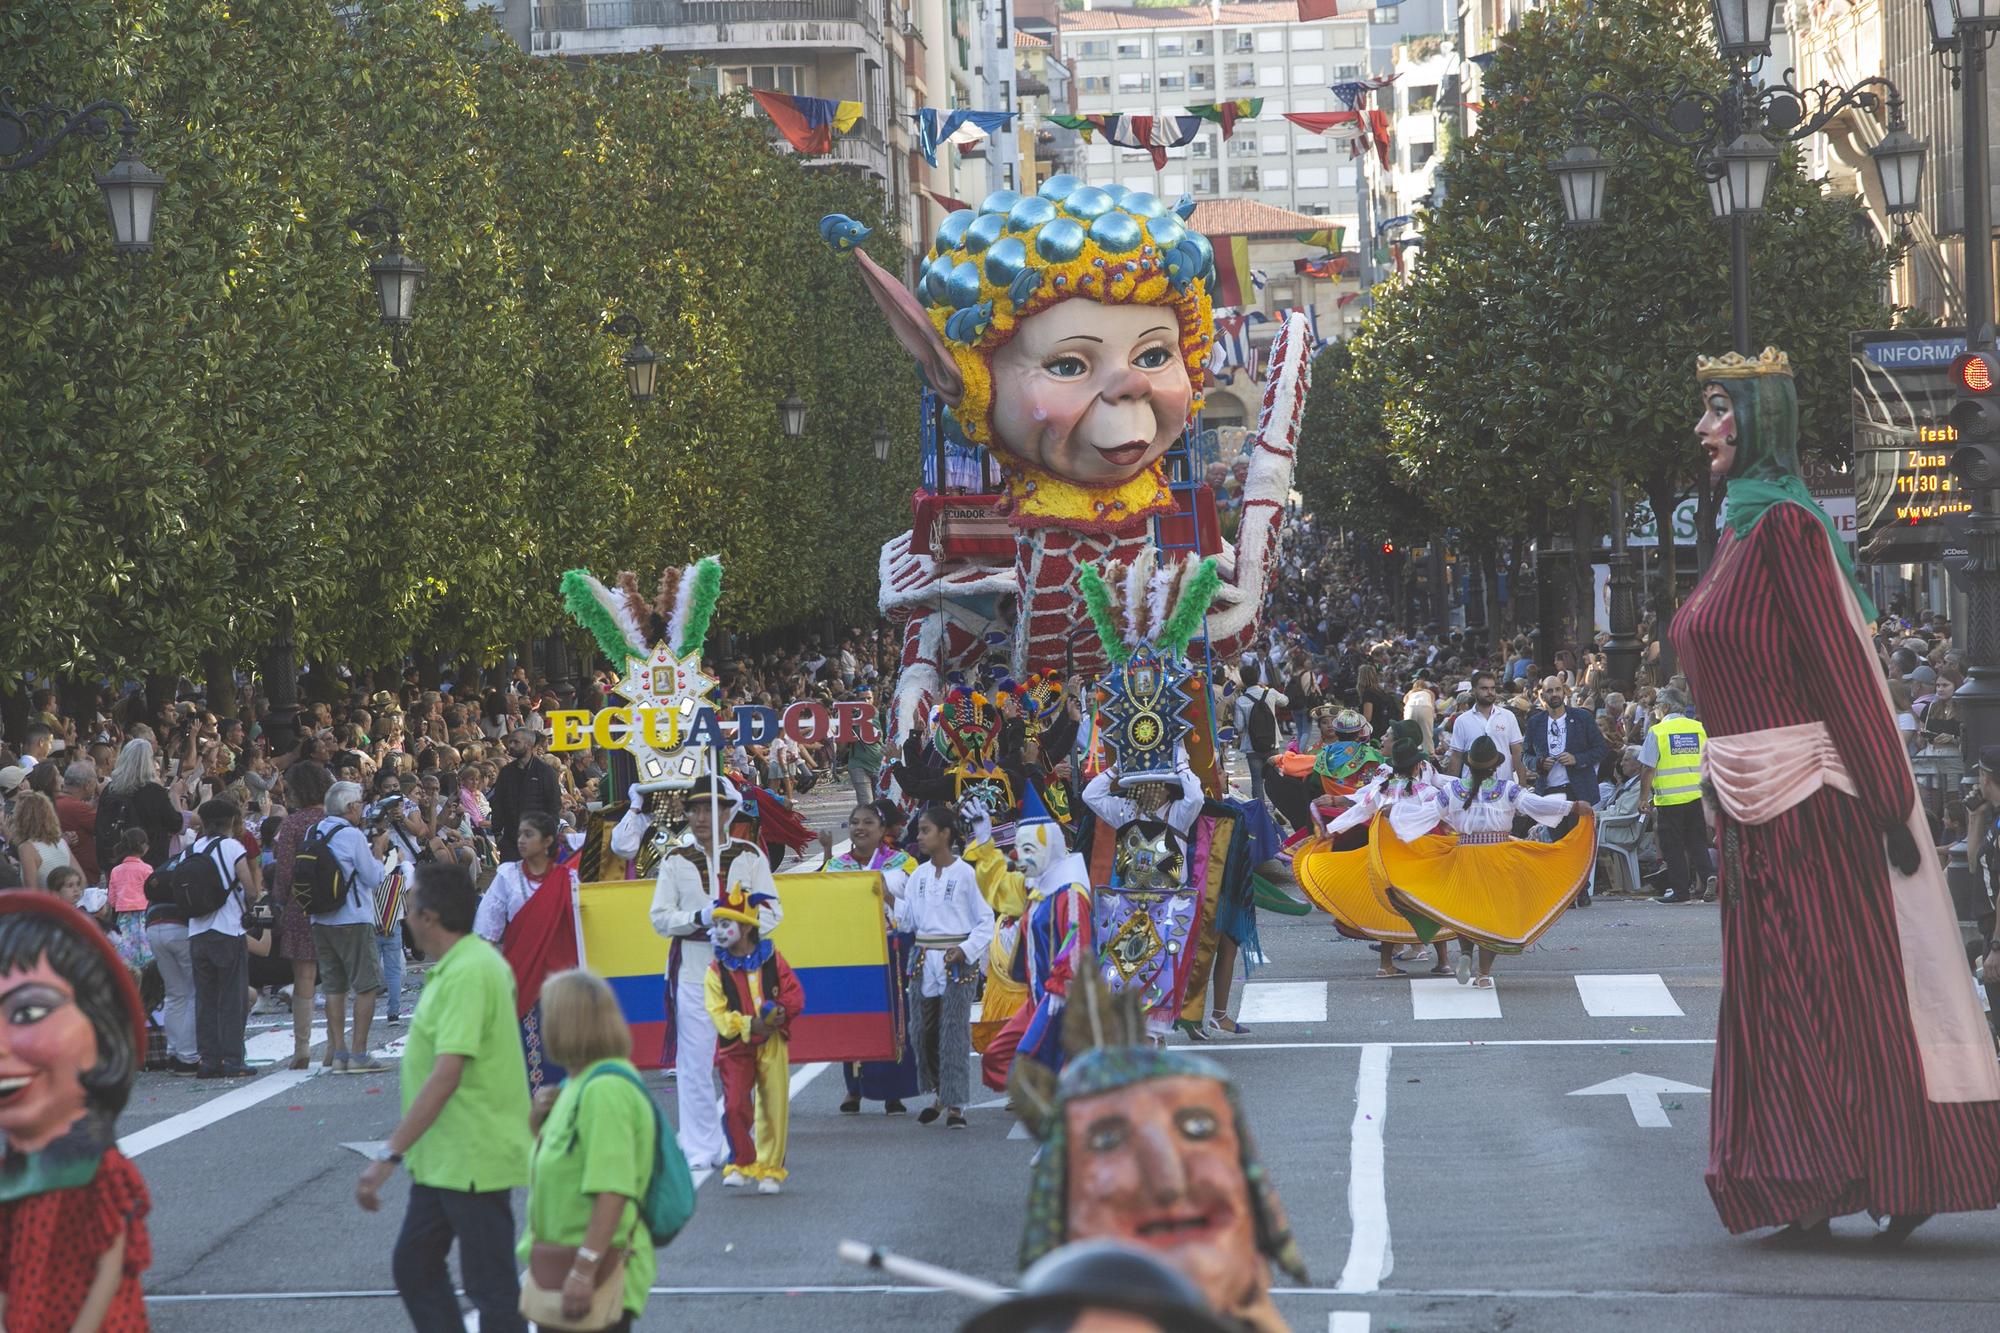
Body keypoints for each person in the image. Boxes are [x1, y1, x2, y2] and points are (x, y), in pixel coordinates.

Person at [1674, 346, 2000, 1241]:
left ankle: (1901, 1166)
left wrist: (1893, 807)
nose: (1702, 428)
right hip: (1753, 807)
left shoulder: (1787, 529)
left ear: (1758, 418)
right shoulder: (1740, 528)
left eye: (1717, 409)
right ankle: (1806, 1174)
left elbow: (1843, 670)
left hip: (1819, 804)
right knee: (1783, 1000)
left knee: (1838, 996)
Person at [356, 863, 532, 1332]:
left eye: (410, 905)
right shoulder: (460, 966)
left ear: (428, 916)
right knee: (415, 1266)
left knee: (491, 1288)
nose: (406, 915)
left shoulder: (470, 972)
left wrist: (389, 1154)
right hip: (446, 1158)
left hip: (473, 1154)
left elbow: (447, 1072)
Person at [0, 893, 154, 1332]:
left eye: (28, 1012)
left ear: (102, 1030)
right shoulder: (13, 1166)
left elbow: (111, 1266)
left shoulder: (100, 1170)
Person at [519, 970, 667, 1333]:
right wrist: (538, 1125)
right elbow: (563, 1163)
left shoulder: (604, 1091)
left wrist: (583, 1270)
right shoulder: (577, 1082)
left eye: (547, 1014)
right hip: (565, 1264)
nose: (541, 1023)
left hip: (594, 1270)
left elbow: (612, 1188)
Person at [1382, 737, 1595, 988]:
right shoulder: (1507, 789)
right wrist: (1572, 806)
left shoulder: (1453, 790)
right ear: (1494, 767)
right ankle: (1483, 974)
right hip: (1498, 857)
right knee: (1492, 916)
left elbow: (1427, 814)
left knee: (1466, 910)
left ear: (1469, 766)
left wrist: (1393, 813)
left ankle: (1464, 953)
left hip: (1465, 855)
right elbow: (1534, 804)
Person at [649, 773, 781, 1170]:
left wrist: (738, 925)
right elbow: (660, 918)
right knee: (694, 1062)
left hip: (742, 974)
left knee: (742, 1059)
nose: (702, 816)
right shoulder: (674, 860)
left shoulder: (749, 856)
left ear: (728, 811)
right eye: (695, 808)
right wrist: (699, 918)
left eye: (711, 808)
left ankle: (742, 1139)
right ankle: (699, 1146)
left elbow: (774, 912)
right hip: (692, 971)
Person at [704, 886, 807, 1193]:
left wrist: (779, 1014)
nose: (720, 932)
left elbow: (795, 994)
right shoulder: (716, 969)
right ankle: (742, 1161)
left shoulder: (773, 959)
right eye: (718, 925)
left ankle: (771, 1170)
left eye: (726, 924)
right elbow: (717, 1013)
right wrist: (751, 1024)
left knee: (774, 1105)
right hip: (735, 1046)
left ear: (746, 927)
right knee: (735, 1105)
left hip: (773, 1042)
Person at [894, 805, 989, 1130]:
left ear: (946, 834)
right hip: (923, 958)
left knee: (953, 1032)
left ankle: (956, 1105)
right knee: (922, 1032)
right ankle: (939, 1092)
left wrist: (964, 950)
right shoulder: (918, 876)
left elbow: (985, 921)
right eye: (919, 831)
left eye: (925, 830)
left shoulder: (966, 873)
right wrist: (889, 899)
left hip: (955, 960)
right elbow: (908, 921)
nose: (919, 837)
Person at [822, 801, 919, 1116]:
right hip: (852, 953)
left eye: (867, 823)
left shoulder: (903, 864)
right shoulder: (837, 866)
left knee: (894, 1020)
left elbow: (917, 908)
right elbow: (821, 903)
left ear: (882, 830)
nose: (859, 828)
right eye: (854, 822)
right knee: (855, 1018)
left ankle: (894, 1092)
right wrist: (825, 854)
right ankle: (854, 1089)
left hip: (891, 949)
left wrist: (887, 896)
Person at [472, 810, 581, 1092]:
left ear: (547, 842)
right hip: (523, 979)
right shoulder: (507, 876)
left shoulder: (570, 879)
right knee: (530, 1056)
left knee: (564, 1050)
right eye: (519, 834)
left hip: (563, 984)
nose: (521, 840)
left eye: (528, 834)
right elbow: (486, 930)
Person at [310, 780, 393, 1074]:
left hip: (321, 919)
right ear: (349, 807)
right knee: (366, 985)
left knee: (334, 987)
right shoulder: (351, 835)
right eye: (358, 804)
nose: (361, 808)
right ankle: (359, 1053)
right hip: (353, 918)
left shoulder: (315, 831)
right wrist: (379, 851)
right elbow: (373, 877)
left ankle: (339, 1052)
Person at [184, 796, 263, 1079]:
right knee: (232, 997)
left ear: (203, 823)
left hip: (197, 931)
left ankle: (208, 1060)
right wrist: (250, 903)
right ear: (231, 822)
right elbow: (249, 886)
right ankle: (232, 1059)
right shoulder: (232, 847)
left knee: (205, 998)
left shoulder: (192, 849)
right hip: (228, 930)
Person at [268, 762, 332, 1070]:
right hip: (336, 904)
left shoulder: (291, 824)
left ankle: (302, 1047)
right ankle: (336, 1044)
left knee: (303, 977)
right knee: (335, 975)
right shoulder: (336, 820)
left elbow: (284, 871)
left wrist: (279, 900)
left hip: (300, 903)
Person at [1638, 688, 1714, 904]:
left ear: (1665, 707)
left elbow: (1648, 769)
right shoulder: (1699, 728)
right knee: (1697, 841)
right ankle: (1709, 875)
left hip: (1670, 800)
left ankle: (1680, 891)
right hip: (1697, 796)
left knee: (1673, 846)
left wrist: (1643, 798)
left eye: (1657, 706)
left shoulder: (1658, 731)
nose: (1655, 710)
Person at [1523, 677, 1607, 832]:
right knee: (1556, 844)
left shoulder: (1582, 717)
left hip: (1579, 789)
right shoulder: (1535, 722)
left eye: (1557, 689)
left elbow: (1601, 749)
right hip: (1549, 791)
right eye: (1549, 691)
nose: (1554, 694)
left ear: (1564, 691)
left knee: (1578, 842)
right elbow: (1526, 756)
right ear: (1542, 696)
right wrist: (1539, 763)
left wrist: (1576, 759)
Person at [98, 738, 183, 872]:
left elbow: (99, 825)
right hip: (149, 863)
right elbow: (176, 824)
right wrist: (175, 795)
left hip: (116, 861)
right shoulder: (155, 792)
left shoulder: (110, 789)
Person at [490, 727, 562, 863]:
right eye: (510, 742)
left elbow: (554, 805)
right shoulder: (506, 772)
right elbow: (498, 803)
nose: (511, 746)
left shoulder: (545, 772)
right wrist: (497, 833)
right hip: (511, 840)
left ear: (529, 744)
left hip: (538, 839)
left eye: (516, 742)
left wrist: (549, 833)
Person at [1445, 671, 1525, 782]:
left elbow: (1517, 752)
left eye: (1492, 688)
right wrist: (1451, 789)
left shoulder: (1508, 716)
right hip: (1471, 786)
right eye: (1484, 688)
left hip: (1503, 786)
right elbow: (1456, 757)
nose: (1490, 692)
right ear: (1473, 691)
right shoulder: (1462, 721)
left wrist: (1522, 784)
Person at [9, 792, 72, 891]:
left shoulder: (27, 848)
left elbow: (32, 893)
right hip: (64, 904)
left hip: (45, 904)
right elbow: (81, 877)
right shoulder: (61, 842)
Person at [54, 762, 100, 889]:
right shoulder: (77, 808)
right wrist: (103, 795)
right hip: (82, 877)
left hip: (65, 875)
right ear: (87, 785)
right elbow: (102, 826)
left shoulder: (55, 802)